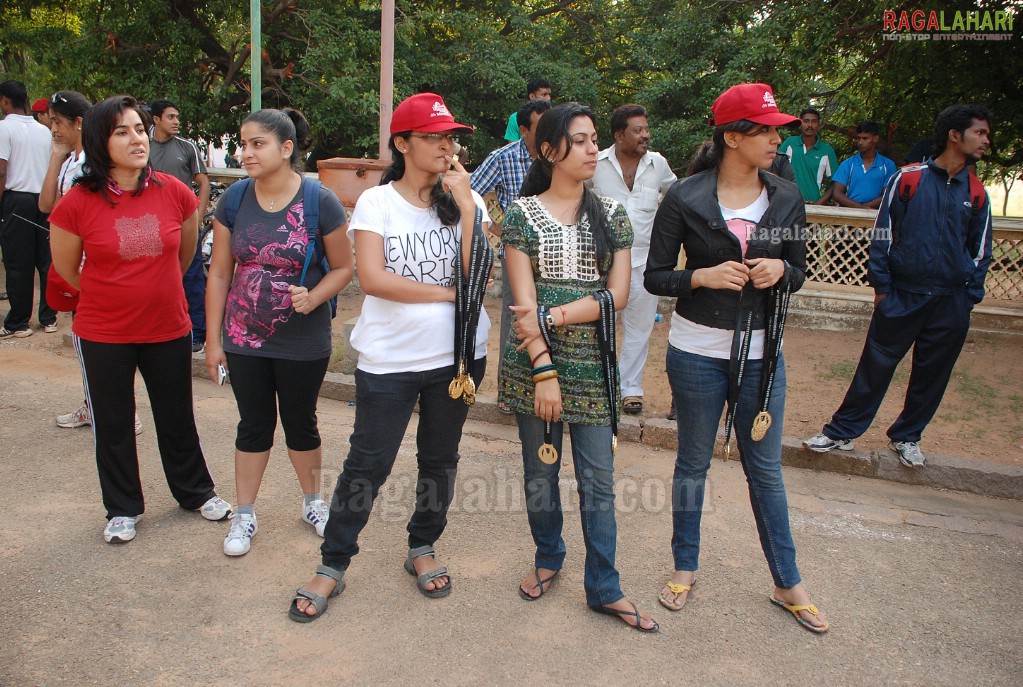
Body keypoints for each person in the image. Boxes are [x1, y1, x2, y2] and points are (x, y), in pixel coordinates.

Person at [290, 93, 491, 622]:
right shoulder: (378, 203)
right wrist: (450, 294)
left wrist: (467, 206)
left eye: (451, 137)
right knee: (368, 462)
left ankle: (422, 546)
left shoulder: (467, 200)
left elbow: (481, 274)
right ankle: (332, 562)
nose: (447, 146)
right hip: (390, 359)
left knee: (440, 459)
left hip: (459, 357)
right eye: (433, 137)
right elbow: (374, 278)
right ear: (401, 144)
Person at [645, 83, 828, 633]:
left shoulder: (786, 196)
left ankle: (787, 582)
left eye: (777, 129)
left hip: (763, 355)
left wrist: (781, 273)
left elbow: (800, 269)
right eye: (766, 129)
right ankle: (684, 567)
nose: (777, 138)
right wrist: (698, 276)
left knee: (765, 470)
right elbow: (656, 276)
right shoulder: (685, 197)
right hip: (697, 351)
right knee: (693, 464)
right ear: (733, 137)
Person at [497, 102, 657, 633]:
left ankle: (604, 586)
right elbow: (522, 306)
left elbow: (618, 293)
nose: (594, 150)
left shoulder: (611, 215)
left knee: (598, 480)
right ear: (550, 150)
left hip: (594, 366)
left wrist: (558, 313)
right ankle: (548, 556)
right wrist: (544, 368)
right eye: (582, 140)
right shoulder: (521, 214)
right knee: (540, 470)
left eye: (594, 140)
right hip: (534, 364)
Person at [47, 95, 230, 544]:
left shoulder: (175, 191)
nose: (137, 139)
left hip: (167, 326)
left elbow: (186, 255)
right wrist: (114, 294)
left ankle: (195, 492)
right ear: (99, 141)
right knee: (112, 421)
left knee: (176, 415)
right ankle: (123, 507)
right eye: (122, 131)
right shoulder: (76, 202)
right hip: (103, 331)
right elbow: (69, 270)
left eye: (140, 129)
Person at [804, 105, 994, 469]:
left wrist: (968, 297)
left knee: (932, 374)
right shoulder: (909, 180)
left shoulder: (977, 192)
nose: (986, 139)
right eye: (980, 132)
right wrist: (883, 287)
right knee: (874, 365)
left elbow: (980, 250)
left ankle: (907, 436)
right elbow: (883, 235)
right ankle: (842, 431)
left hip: (950, 301)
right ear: (955, 134)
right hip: (902, 294)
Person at [205, 108, 354, 557]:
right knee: (253, 425)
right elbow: (218, 274)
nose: (244, 152)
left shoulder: (318, 200)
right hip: (243, 336)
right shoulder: (233, 200)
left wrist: (313, 295)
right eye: (242, 143)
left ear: (286, 149)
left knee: (300, 423)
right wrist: (213, 342)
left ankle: (313, 503)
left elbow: (345, 267)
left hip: (302, 340)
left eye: (257, 144)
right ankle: (244, 514)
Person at [589, 104, 677, 415]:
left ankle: (631, 389)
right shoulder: (596, 163)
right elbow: (574, 194)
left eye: (646, 128)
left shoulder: (658, 164)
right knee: (600, 322)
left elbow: (677, 196)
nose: (645, 135)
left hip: (645, 261)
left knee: (640, 327)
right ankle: (601, 385)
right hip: (601, 262)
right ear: (619, 135)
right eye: (637, 130)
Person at [471, 97, 552, 414]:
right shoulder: (502, 158)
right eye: (539, 126)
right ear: (523, 129)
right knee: (515, 317)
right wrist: (497, 228)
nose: (547, 131)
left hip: (552, 255)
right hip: (516, 253)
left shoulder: (556, 156)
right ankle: (509, 391)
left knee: (550, 315)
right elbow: (470, 192)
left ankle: (546, 384)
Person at [149, 98, 211, 352]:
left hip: (184, 224)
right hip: (153, 225)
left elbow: (203, 183)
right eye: (170, 117)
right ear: (156, 120)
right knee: (157, 277)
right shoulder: (143, 146)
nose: (176, 122)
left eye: (177, 117)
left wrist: (197, 216)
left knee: (192, 276)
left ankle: (197, 332)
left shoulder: (187, 147)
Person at [0, 80, 55, 338]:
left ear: (4, 101)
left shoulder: (3, 129)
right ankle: (49, 317)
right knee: (46, 259)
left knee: (18, 261)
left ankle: (18, 322)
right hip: (44, 200)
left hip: (17, 199)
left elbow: (1, 170)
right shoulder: (44, 130)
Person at [778, 108, 838, 204]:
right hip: (787, 203)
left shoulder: (827, 150)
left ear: (819, 125)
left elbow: (836, 183)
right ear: (800, 124)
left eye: (814, 122)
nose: (810, 125)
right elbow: (775, 170)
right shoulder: (790, 143)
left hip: (813, 205)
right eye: (806, 121)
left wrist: (818, 204)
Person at [831, 121, 897, 209]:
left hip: (876, 216)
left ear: (875, 138)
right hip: (849, 215)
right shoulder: (848, 164)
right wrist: (860, 207)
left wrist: (865, 207)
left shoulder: (888, 165)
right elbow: (836, 193)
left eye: (865, 138)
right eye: (858, 138)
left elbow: (888, 194)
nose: (860, 142)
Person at [504, 78, 552, 143]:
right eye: (544, 94)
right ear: (532, 96)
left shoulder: (555, 116)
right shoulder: (515, 118)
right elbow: (512, 147)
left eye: (549, 94)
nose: (548, 98)